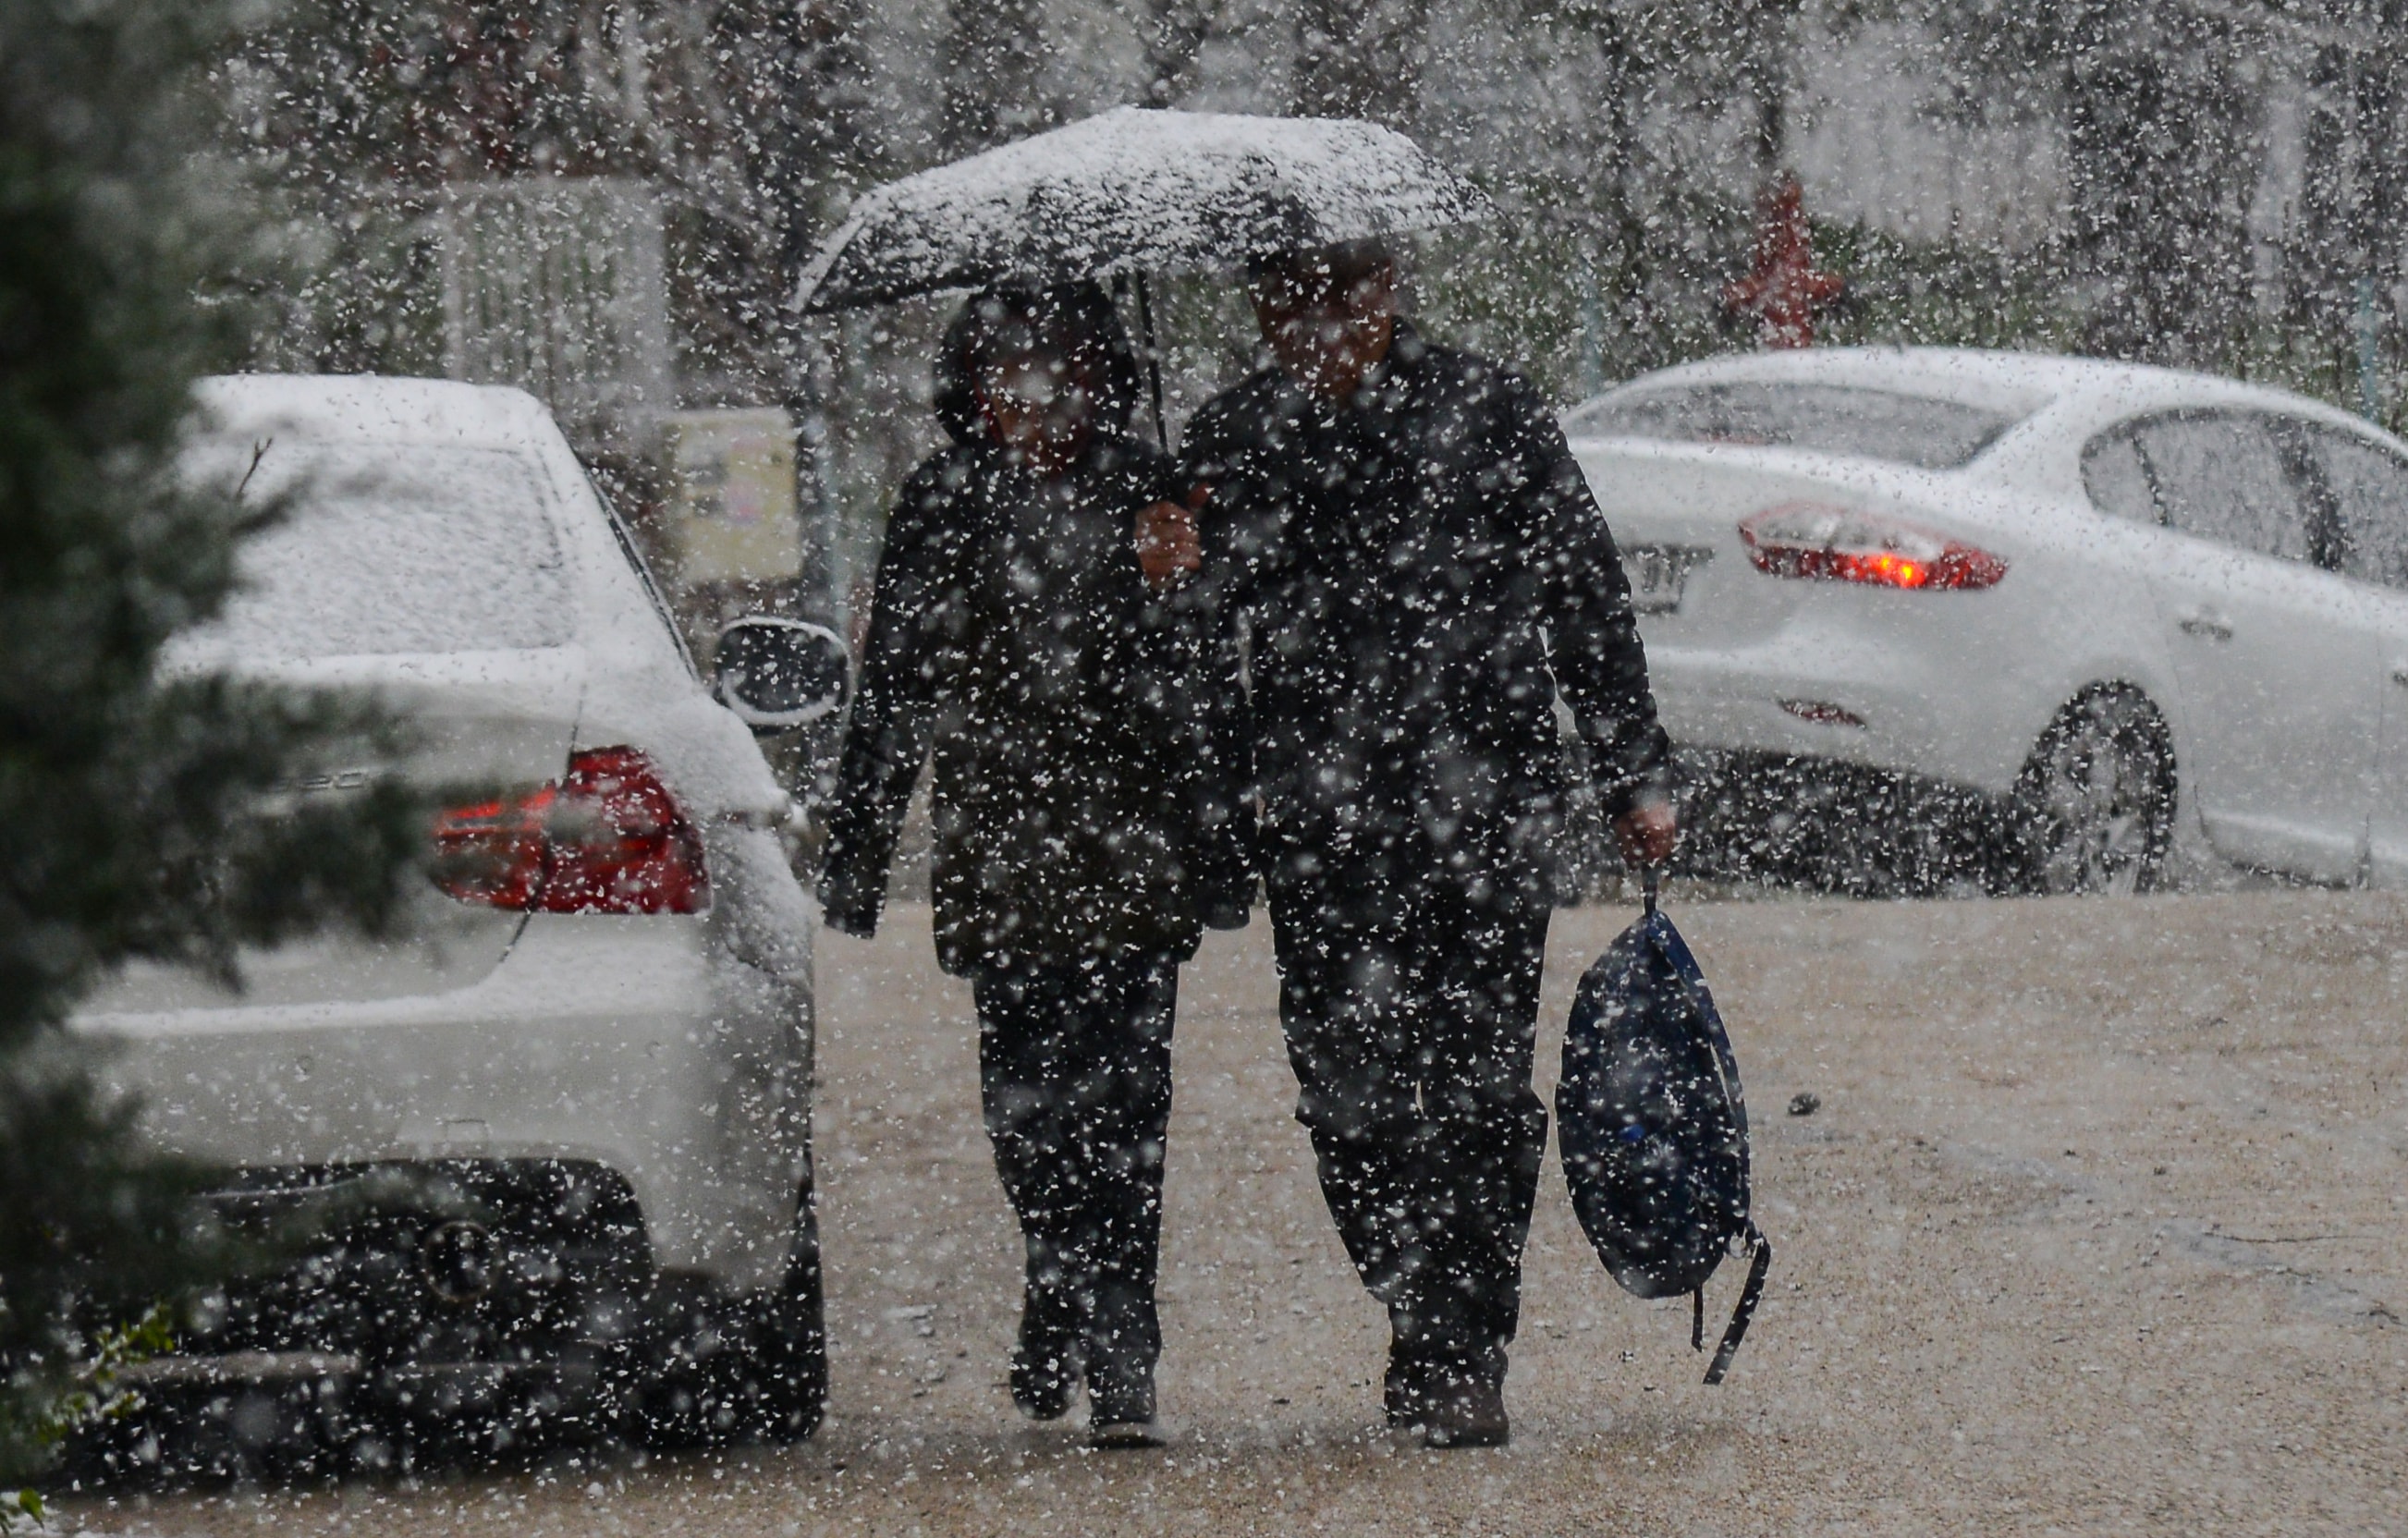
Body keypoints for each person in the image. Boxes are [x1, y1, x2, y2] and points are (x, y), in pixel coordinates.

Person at [1136, 239, 1678, 1448]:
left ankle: (1458, 1344)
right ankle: (1411, 1294)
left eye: (1340, 295)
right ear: (1264, 311)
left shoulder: (1487, 410)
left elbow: (1581, 590)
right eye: (1287, 300)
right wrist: (1168, 578)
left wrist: (1631, 767)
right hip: (1322, 829)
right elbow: (1192, 662)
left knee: (1480, 1091)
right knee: (1348, 1097)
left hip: (1488, 814)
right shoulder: (1232, 439)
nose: (1317, 323)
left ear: (1385, 292)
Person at [819, 280, 1249, 1447]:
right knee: (1025, 1112)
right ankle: (1058, 1276)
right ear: (974, 387)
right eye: (1009, 369)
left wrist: (1172, 591)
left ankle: (1123, 1343)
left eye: (1058, 367)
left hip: (1131, 848)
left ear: (1103, 378)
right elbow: (897, 686)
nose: (1033, 392)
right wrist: (857, 849)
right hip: (1003, 851)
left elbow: (1199, 698)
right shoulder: (944, 501)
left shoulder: (1146, 491)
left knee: (1127, 1104)